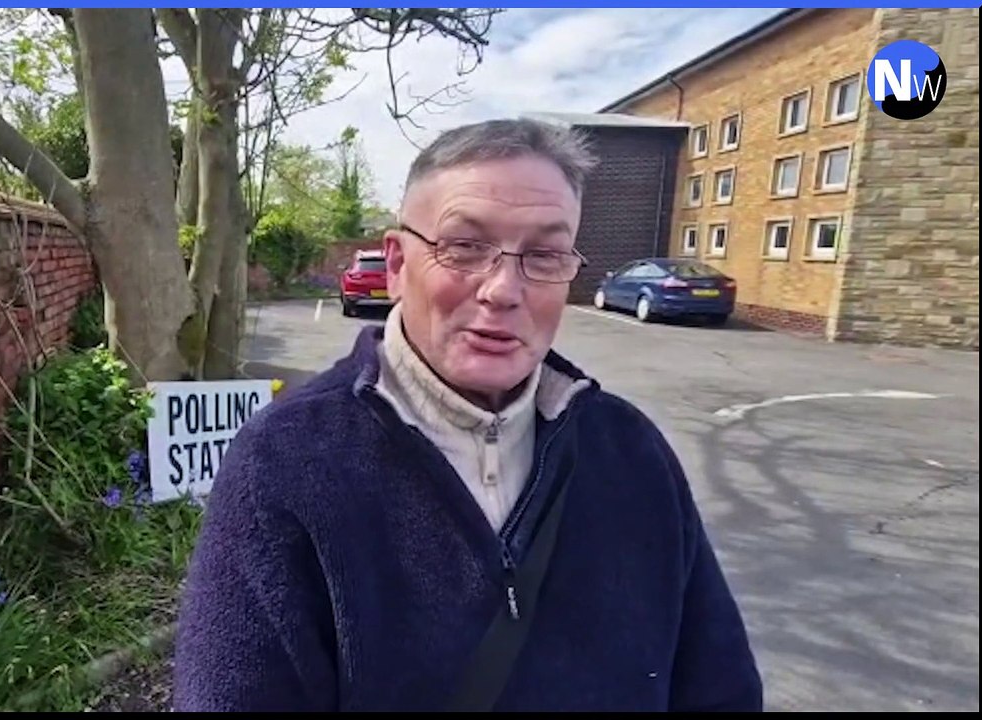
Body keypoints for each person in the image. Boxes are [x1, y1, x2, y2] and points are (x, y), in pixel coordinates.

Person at [171, 118, 763, 712]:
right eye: (464, 247)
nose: (503, 289)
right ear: (398, 265)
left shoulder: (632, 453)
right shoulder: (285, 463)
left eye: (545, 254)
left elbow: (720, 688)